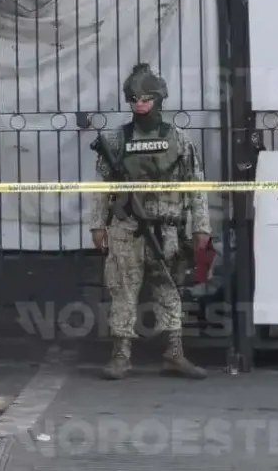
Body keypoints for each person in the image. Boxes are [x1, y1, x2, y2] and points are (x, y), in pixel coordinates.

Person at [89, 63, 211, 380]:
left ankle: (174, 353)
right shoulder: (116, 141)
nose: (139, 105)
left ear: (158, 99)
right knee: (123, 290)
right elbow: (102, 188)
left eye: (146, 99)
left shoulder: (180, 140)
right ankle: (120, 355)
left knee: (169, 289)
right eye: (134, 100)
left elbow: (196, 186)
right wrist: (97, 225)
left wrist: (201, 227)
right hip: (126, 228)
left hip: (167, 228)